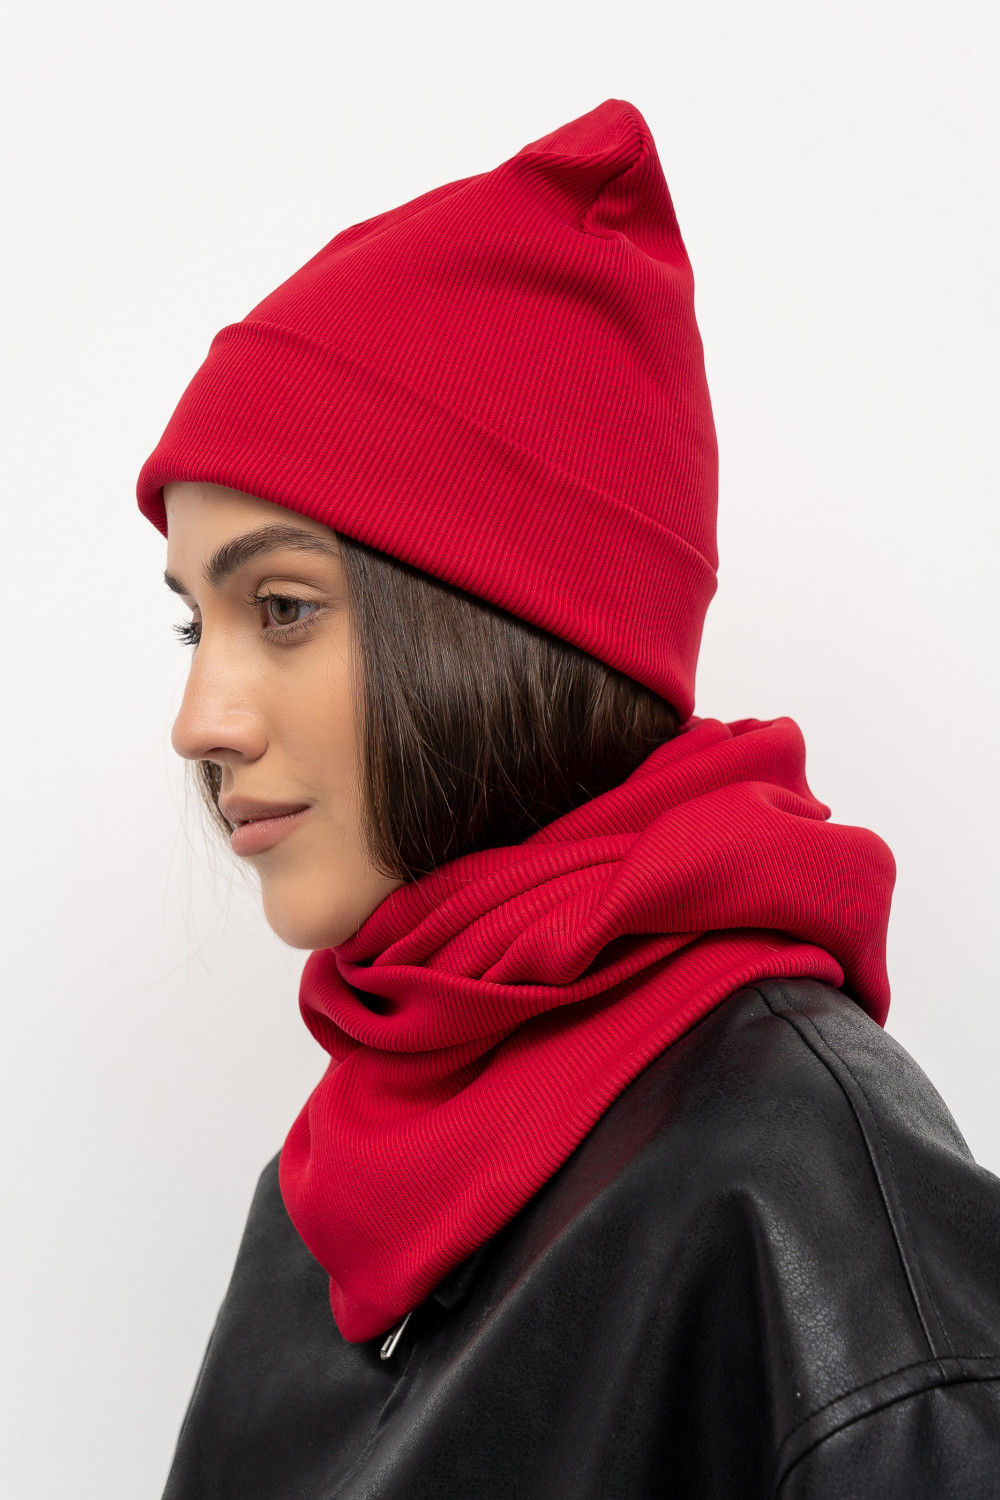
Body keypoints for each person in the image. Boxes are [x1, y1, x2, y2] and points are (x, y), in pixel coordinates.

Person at [137, 100, 1000, 1498]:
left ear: (509, 628)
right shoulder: (341, 1175)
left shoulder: (811, 1203)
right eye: (196, 623)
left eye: (282, 607)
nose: (201, 721)